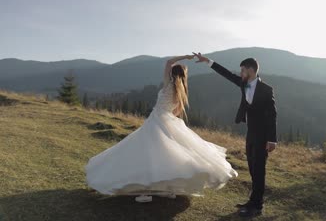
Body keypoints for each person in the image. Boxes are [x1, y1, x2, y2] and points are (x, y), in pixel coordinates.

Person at [85, 54, 238, 203]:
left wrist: (186, 57)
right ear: (183, 76)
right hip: (168, 120)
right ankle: (168, 189)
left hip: (156, 120)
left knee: (148, 153)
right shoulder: (181, 91)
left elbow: (168, 62)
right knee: (167, 155)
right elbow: (177, 111)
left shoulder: (168, 83)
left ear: (172, 74)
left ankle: (146, 191)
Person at [193, 52, 277, 217]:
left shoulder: (266, 90)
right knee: (253, 169)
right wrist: (208, 61)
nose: (240, 74)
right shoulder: (243, 83)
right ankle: (252, 201)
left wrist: (272, 139)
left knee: (259, 170)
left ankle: (257, 207)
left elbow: (272, 114)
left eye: (243, 71)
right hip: (250, 134)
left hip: (262, 136)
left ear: (251, 71)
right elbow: (226, 74)